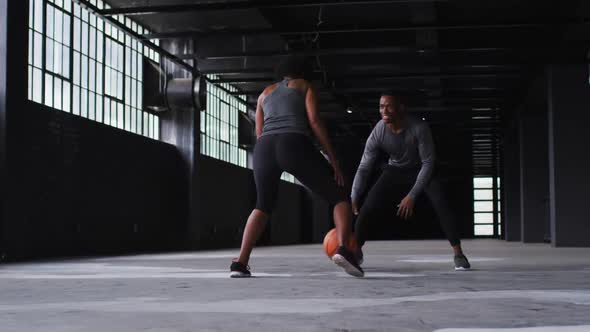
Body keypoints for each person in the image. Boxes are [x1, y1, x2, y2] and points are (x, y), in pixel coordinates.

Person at [230, 56, 363, 278]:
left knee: (262, 205)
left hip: (263, 148)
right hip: (292, 142)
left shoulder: (265, 93)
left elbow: (259, 132)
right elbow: (314, 121)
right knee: (340, 196)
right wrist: (333, 159)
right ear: (304, 72)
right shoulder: (305, 86)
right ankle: (343, 249)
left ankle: (240, 263)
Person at [351, 92, 471, 270]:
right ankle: (355, 252)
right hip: (396, 170)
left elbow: (428, 163)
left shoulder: (419, 127)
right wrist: (354, 194)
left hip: (421, 169)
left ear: (401, 108)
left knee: (441, 204)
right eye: (381, 106)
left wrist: (412, 196)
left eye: (389, 106)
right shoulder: (379, 130)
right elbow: (364, 167)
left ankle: (458, 254)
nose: (384, 111)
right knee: (369, 205)